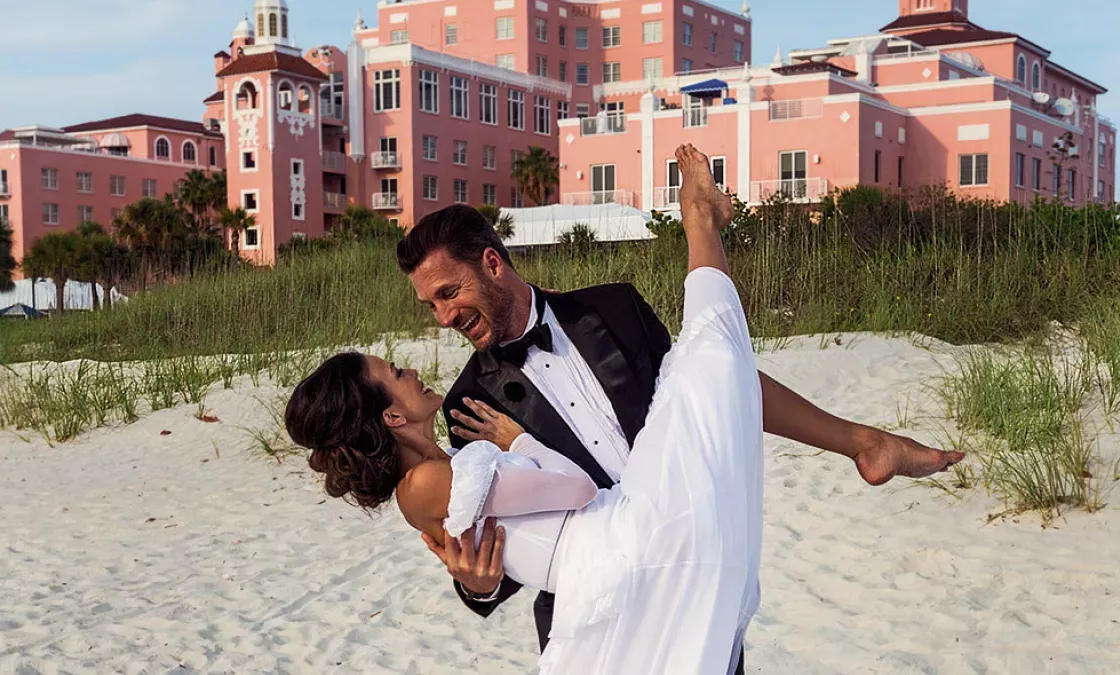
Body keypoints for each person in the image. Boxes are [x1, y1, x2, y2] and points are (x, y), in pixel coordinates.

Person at [287, 145, 963, 672]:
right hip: (607, 611)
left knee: (709, 372)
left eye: (446, 292)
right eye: (428, 304)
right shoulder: (467, 404)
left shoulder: (612, 307)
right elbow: (481, 539)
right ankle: (702, 224)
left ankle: (867, 443)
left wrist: (851, 440)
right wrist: (477, 585)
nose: (439, 318)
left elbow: (715, 396)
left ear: (492, 263)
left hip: (692, 575)